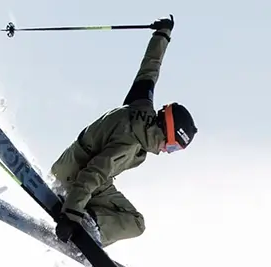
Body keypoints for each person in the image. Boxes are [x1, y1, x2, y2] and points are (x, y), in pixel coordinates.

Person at [50, 16, 196, 246]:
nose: (167, 151)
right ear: (166, 132)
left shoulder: (140, 105)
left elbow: (150, 67)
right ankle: (89, 230)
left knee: (131, 217)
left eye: (174, 150)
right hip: (76, 176)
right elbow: (93, 173)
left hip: (75, 167)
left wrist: (162, 35)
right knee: (135, 223)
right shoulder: (130, 143)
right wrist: (70, 216)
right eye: (172, 146)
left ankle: (91, 220)